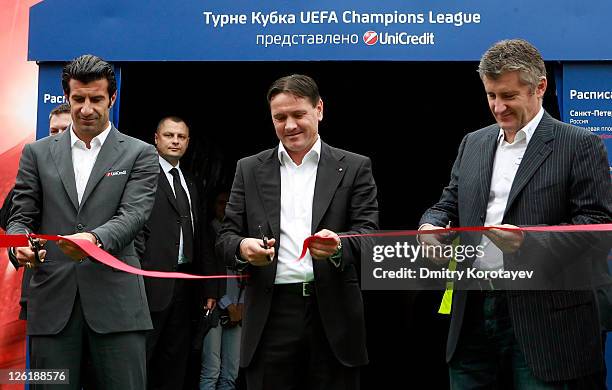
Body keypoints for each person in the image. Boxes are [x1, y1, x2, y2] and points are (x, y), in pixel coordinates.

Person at [419, 39, 612, 388]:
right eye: (491, 95)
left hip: (549, 320)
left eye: (508, 96)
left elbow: (597, 230)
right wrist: (429, 225)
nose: (498, 107)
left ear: (540, 86)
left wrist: (528, 244)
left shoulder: (579, 143)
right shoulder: (474, 143)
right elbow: (447, 203)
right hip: (474, 311)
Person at [216, 74, 379, 389]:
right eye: (280, 117)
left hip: (334, 318)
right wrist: (243, 248)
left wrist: (340, 247)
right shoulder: (249, 169)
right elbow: (225, 239)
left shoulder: (355, 166)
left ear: (319, 109)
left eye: (298, 114)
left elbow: (369, 237)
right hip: (270, 316)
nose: (289, 125)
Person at [7, 54, 159, 389]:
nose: (86, 109)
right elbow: (20, 216)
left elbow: (134, 214)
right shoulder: (37, 153)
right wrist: (20, 247)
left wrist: (94, 240)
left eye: (96, 99)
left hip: (118, 304)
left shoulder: (140, 153)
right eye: (78, 99)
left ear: (112, 98)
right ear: (67, 97)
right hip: (51, 305)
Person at [138, 116, 216, 390]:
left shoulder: (191, 181)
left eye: (181, 137)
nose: (175, 141)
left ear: (187, 142)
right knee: (142, 360)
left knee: (175, 361)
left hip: (186, 285)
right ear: (156, 139)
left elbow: (203, 235)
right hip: (149, 285)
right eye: (169, 135)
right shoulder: (142, 176)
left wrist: (209, 287)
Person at [2, 101, 73, 321]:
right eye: (54, 130)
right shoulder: (33, 169)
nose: (58, 135)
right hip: (42, 286)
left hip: (91, 292)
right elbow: (10, 220)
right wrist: (18, 248)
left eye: (66, 129)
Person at [200, 190, 243, 390]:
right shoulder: (208, 233)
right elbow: (207, 270)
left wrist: (241, 307)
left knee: (231, 373)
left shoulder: (243, 237)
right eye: (220, 202)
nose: (225, 207)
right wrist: (228, 305)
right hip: (216, 307)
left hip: (239, 309)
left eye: (229, 203)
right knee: (211, 371)